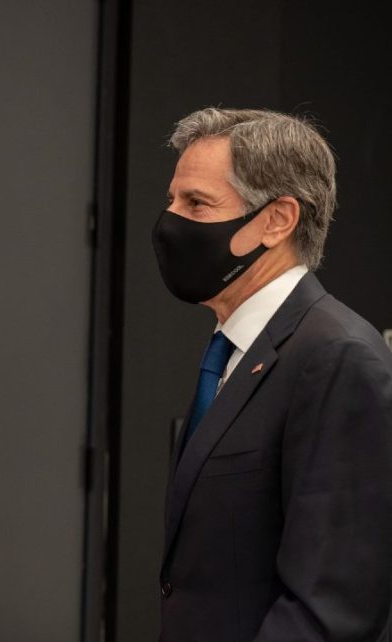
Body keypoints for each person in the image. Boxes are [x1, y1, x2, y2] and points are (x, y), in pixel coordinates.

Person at [153, 107, 392, 640]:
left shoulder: (337, 357)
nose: (171, 220)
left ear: (278, 220)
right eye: (172, 200)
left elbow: (331, 608)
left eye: (196, 203)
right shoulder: (235, 347)